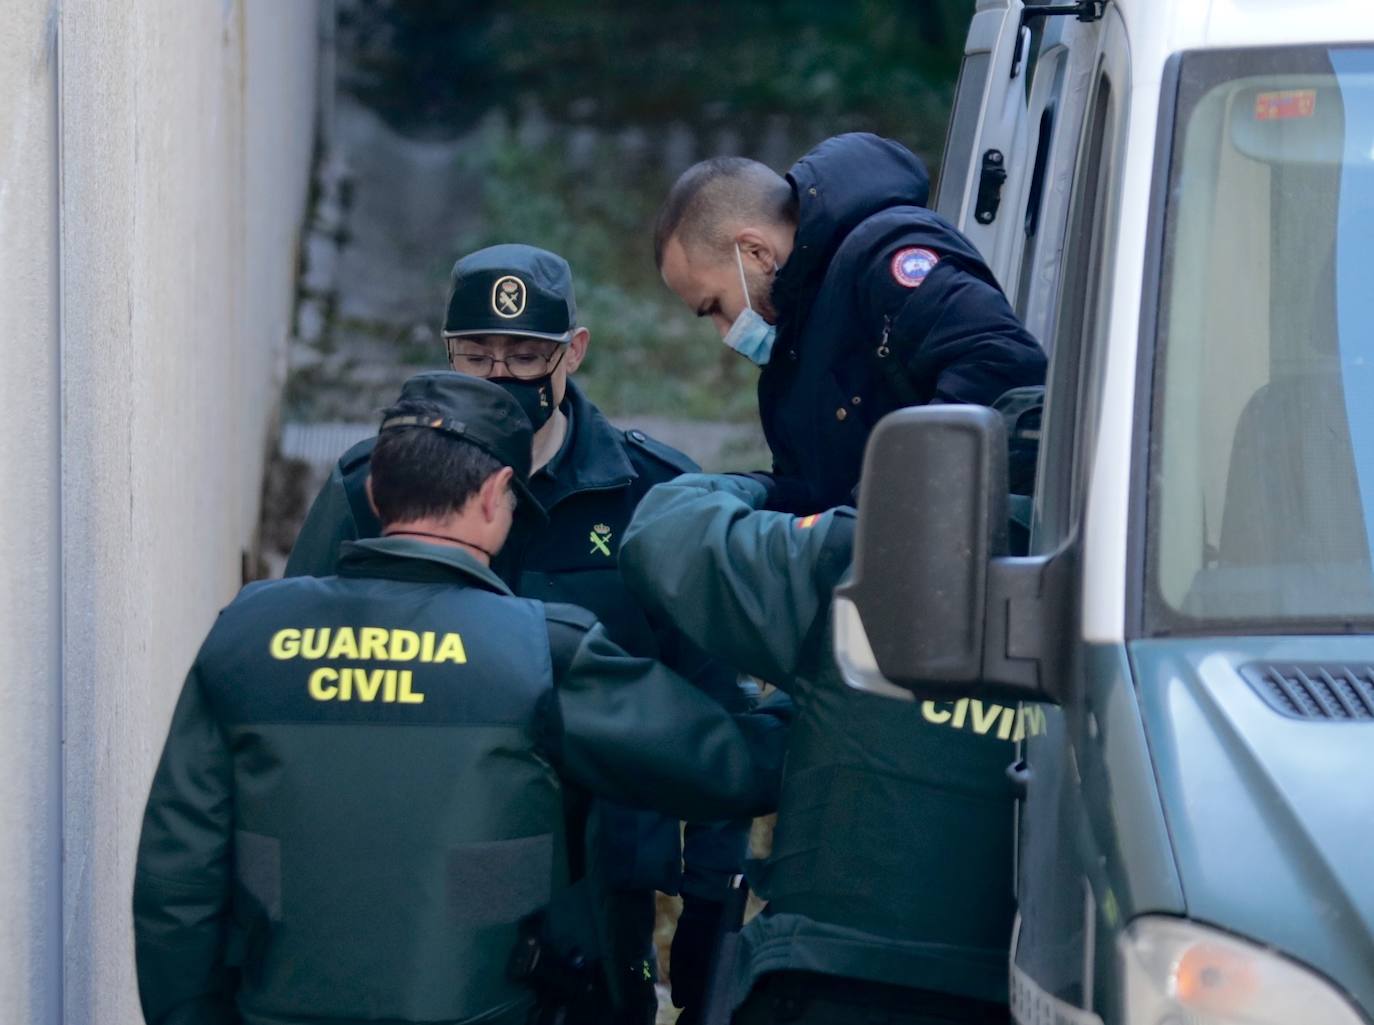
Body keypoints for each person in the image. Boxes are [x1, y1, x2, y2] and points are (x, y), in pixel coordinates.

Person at [132, 374, 787, 1025]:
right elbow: (730, 766)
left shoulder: (245, 636)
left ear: (372, 489)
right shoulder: (542, 651)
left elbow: (177, 879)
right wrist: (820, 689)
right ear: (495, 494)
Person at [284, 244, 749, 1024]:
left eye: (526, 355)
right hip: (414, 868)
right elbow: (295, 662)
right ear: (448, 350)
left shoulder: (653, 496)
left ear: (575, 350)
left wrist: (708, 917)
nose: (500, 374)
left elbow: (712, 711)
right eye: (477, 353)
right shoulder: (376, 485)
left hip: (594, 889)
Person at [620, 473, 1020, 1025]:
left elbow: (664, 532)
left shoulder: (865, 561)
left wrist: (762, 485)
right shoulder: (1149, 600)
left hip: (830, 982)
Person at [653, 133, 1047, 511]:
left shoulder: (885, 255)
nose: (725, 332)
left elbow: (1001, 369)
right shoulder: (794, 344)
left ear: (756, 251)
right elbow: (820, 494)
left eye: (715, 306)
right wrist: (752, 496)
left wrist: (883, 506)